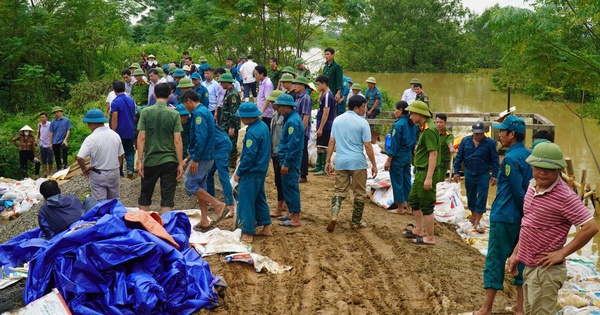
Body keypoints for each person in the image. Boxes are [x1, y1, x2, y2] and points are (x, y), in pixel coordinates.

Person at [507, 142, 599, 315]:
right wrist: (515, 255)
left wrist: (562, 252)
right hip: (529, 266)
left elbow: (591, 227)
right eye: (539, 167)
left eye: (549, 168)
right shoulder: (531, 186)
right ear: (532, 166)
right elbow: (528, 224)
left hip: (546, 271)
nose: (543, 172)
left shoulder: (564, 196)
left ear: (559, 170)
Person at [472, 115, 532, 315]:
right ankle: (520, 307)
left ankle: (486, 308)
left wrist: (525, 211)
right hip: (523, 220)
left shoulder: (510, 159)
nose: (499, 135)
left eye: (503, 131)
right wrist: (530, 216)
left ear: (512, 134)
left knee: (495, 260)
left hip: (506, 216)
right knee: (521, 261)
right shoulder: (529, 156)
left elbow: (517, 191)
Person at [325, 95, 377, 232]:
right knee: (359, 193)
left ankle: (334, 216)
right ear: (356, 108)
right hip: (357, 163)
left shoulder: (337, 120)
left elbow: (331, 142)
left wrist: (328, 160)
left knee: (339, 190)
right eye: (363, 107)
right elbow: (368, 145)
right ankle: (355, 222)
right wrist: (374, 164)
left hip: (341, 161)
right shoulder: (362, 123)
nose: (365, 110)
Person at [181, 90, 228, 231]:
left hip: (202, 157)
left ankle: (218, 204)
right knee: (200, 186)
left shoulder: (199, 114)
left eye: (185, 104)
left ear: (189, 101)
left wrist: (195, 159)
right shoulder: (205, 111)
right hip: (206, 155)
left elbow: (201, 138)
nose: (185, 107)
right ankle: (204, 219)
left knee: (189, 184)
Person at [136, 83, 184, 214]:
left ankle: (144, 228)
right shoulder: (174, 114)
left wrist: (139, 160)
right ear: (169, 96)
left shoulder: (145, 112)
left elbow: (141, 137)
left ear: (154, 95)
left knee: (145, 196)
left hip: (151, 159)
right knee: (167, 198)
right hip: (169, 160)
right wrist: (180, 163)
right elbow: (178, 140)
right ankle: (166, 229)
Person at [233, 102, 273, 242]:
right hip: (261, 170)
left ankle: (248, 232)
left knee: (246, 201)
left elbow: (249, 156)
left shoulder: (252, 133)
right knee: (259, 198)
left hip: (251, 172)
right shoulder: (262, 126)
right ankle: (266, 226)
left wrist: (239, 172)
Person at [401, 101, 439, 245]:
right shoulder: (425, 127)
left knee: (427, 205)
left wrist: (428, 177)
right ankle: (418, 229)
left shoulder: (429, 130)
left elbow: (433, 154)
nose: (410, 117)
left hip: (426, 172)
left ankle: (430, 237)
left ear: (419, 114)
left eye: (412, 114)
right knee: (414, 200)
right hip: (421, 171)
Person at [453, 120, 499, 232]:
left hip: (483, 173)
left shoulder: (490, 143)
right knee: (470, 195)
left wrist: (494, 175)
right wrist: (456, 171)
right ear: (472, 132)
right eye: (476, 133)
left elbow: (495, 160)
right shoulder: (465, 141)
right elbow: (459, 157)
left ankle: (478, 220)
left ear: (484, 133)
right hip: (469, 172)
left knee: (482, 196)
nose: (478, 136)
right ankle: (473, 215)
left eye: (480, 133)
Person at [77, 109, 124, 201]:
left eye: (88, 124)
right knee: (114, 201)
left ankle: (103, 215)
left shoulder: (91, 138)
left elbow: (80, 157)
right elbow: (120, 156)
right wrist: (116, 169)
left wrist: (84, 169)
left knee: (100, 203)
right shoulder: (115, 135)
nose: (88, 126)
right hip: (114, 172)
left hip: (98, 174)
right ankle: (115, 215)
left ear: (93, 124)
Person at [274, 94, 304, 227]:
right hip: (287, 158)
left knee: (291, 187)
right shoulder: (290, 119)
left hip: (290, 160)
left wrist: (286, 163)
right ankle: (292, 213)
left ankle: (296, 218)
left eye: (280, 106)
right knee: (287, 186)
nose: (278, 109)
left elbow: (293, 145)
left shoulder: (292, 122)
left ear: (287, 107)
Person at [384, 101, 418, 214]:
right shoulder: (412, 124)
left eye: (395, 110)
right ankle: (409, 207)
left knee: (397, 181)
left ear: (401, 110)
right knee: (407, 180)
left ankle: (400, 208)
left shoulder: (398, 125)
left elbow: (394, 145)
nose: (394, 112)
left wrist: (389, 160)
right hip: (408, 155)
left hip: (398, 156)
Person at [266, 90, 288, 217]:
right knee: (278, 180)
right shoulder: (275, 115)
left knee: (281, 181)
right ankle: (284, 203)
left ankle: (279, 207)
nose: (271, 104)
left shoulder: (285, 118)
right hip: (275, 151)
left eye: (273, 102)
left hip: (281, 153)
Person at [206, 123, 235, 217]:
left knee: (223, 175)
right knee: (209, 173)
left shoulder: (198, 117)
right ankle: (210, 198)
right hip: (216, 145)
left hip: (221, 145)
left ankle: (230, 206)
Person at [110, 80, 136, 179]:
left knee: (118, 153)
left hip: (119, 131)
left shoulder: (115, 102)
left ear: (114, 91)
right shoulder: (131, 100)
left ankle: (119, 173)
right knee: (129, 151)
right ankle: (130, 170)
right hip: (130, 129)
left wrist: (112, 132)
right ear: (124, 89)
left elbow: (115, 118)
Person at [311, 75, 336, 175]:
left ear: (324, 84)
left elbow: (326, 113)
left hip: (326, 125)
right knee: (319, 145)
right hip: (322, 123)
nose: (317, 87)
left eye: (318, 84)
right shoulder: (324, 94)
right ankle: (318, 165)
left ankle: (323, 166)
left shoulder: (327, 96)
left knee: (324, 146)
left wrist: (321, 127)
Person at [218, 73, 242, 167]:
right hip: (225, 124)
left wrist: (232, 127)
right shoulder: (228, 92)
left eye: (222, 82)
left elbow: (234, 112)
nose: (221, 85)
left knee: (231, 145)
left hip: (230, 125)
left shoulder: (233, 95)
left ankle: (232, 165)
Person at [293, 76, 313, 183]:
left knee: (303, 151)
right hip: (297, 128)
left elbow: (306, 117)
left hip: (302, 130)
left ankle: (304, 174)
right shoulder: (298, 97)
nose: (294, 86)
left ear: (302, 86)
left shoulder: (305, 98)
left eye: (296, 84)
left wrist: (301, 130)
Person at [435, 114, 455, 184]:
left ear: (445, 123)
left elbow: (449, 142)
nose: (438, 124)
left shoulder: (448, 134)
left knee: (439, 182)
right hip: (432, 161)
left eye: (441, 122)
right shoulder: (432, 132)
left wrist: (451, 148)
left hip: (442, 163)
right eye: (437, 122)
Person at [255, 64, 274, 129]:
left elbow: (268, 99)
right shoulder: (261, 82)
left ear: (262, 74)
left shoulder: (267, 84)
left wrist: (262, 112)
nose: (255, 76)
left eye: (256, 74)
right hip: (261, 111)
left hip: (266, 114)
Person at [37, 112, 53, 177]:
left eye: (43, 117)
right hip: (42, 144)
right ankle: (45, 172)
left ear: (46, 117)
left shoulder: (50, 124)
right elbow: (38, 133)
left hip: (49, 144)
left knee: (50, 159)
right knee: (43, 159)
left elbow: (52, 133)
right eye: (41, 117)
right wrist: (36, 139)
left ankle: (50, 172)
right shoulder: (39, 125)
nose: (42, 118)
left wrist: (51, 143)